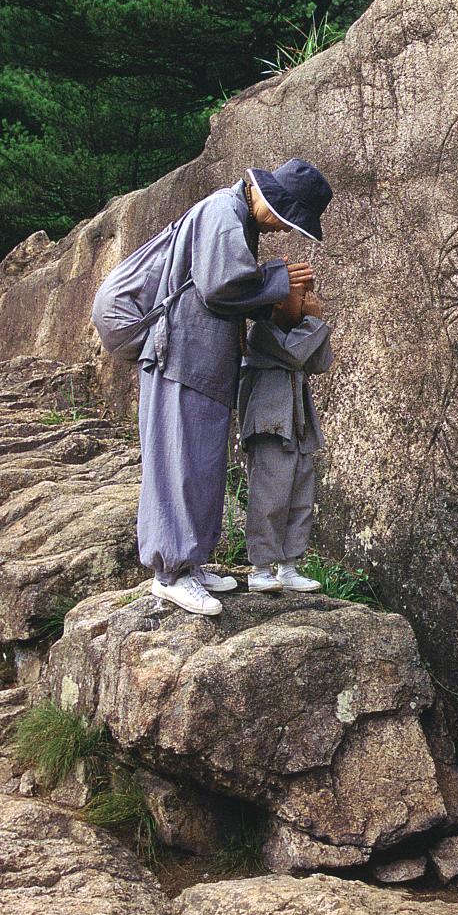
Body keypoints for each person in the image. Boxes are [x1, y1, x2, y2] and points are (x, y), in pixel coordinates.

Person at [137, 158, 333, 615]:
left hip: (203, 363)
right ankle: (170, 573)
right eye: (287, 219)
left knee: (202, 465)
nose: (283, 230)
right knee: (178, 461)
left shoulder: (238, 220)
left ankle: (192, 564)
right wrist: (280, 278)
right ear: (273, 199)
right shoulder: (223, 211)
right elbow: (219, 286)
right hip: (180, 356)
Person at [237, 283, 332, 593]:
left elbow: (320, 363)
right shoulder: (262, 333)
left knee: (299, 497)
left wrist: (314, 323)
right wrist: (314, 323)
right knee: (269, 498)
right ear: (276, 302)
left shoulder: (301, 332)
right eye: (302, 295)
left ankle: (288, 566)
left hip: (297, 426)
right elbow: (294, 355)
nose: (308, 301)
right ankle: (261, 567)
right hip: (270, 426)